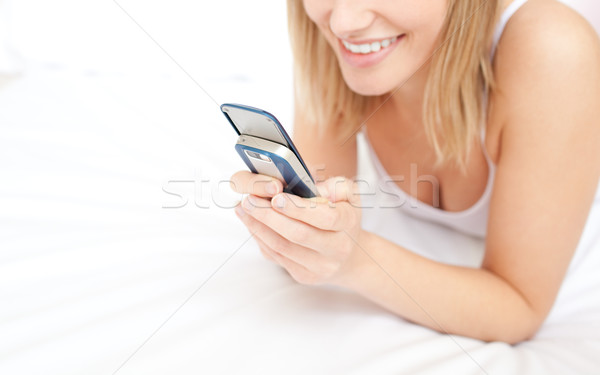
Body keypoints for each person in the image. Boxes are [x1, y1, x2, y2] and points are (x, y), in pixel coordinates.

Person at [230, 0, 600, 344]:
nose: (344, 22)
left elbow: (520, 305)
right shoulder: (332, 35)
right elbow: (320, 213)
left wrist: (356, 259)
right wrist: (293, 228)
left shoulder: (553, 50)